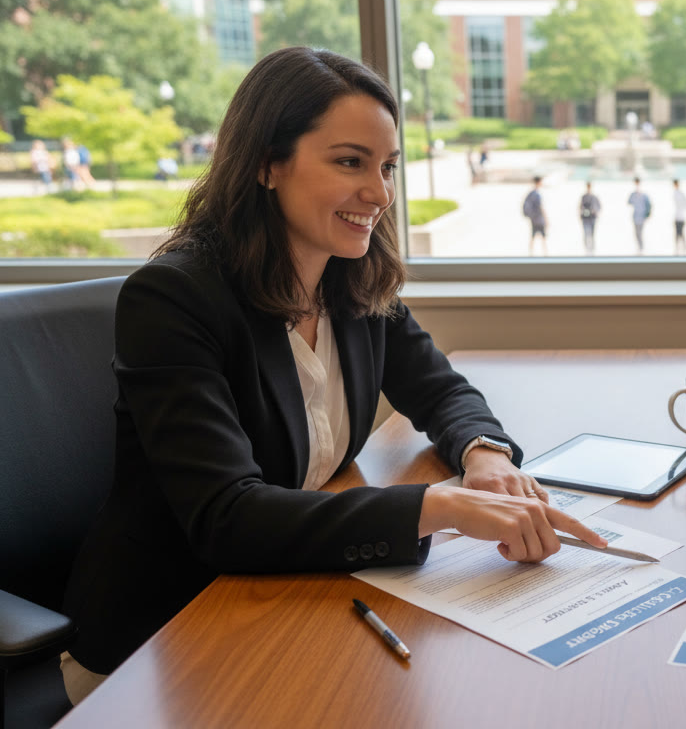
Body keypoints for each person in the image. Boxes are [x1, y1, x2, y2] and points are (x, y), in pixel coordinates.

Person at [59, 46, 606, 704]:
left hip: (288, 593)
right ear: (267, 163)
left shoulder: (352, 278)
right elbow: (228, 518)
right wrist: (442, 507)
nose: (380, 193)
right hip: (165, 642)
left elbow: (440, 388)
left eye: (387, 166)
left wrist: (483, 454)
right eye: (350, 162)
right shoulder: (174, 300)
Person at [522, 175, 547, 256]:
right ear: (539, 182)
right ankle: (545, 254)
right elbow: (540, 207)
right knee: (543, 237)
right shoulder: (537, 194)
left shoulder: (531, 193)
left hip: (533, 218)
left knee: (533, 236)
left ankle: (531, 253)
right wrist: (546, 218)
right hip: (539, 218)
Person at [627, 177, 651, 254]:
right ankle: (639, 247)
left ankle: (641, 248)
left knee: (639, 233)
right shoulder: (634, 194)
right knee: (637, 233)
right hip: (636, 216)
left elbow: (648, 205)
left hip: (641, 216)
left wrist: (647, 215)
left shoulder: (643, 194)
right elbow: (629, 202)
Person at [579, 181, 601, 256]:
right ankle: (586, 249)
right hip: (585, 218)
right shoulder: (584, 197)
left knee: (592, 233)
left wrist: (595, 211)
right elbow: (580, 207)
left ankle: (592, 249)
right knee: (586, 233)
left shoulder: (594, 197)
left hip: (592, 217)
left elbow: (599, 207)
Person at [671, 178, 686, 255]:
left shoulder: (679, 193)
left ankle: (682, 248)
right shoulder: (677, 193)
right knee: (678, 234)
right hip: (678, 217)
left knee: (680, 234)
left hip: (680, 217)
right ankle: (679, 248)